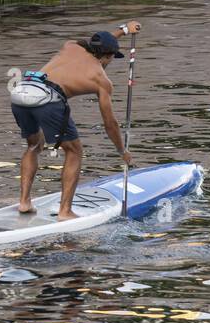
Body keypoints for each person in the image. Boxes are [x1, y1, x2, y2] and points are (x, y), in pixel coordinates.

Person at [10, 23, 141, 221]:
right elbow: (110, 123)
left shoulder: (71, 45)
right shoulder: (101, 79)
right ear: (108, 56)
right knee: (74, 151)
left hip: (21, 91)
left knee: (34, 145)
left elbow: (96, 41)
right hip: (48, 98)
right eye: (112, 57)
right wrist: (122, 151)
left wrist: (123, 30)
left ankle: (24, 203)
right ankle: (65, 212)